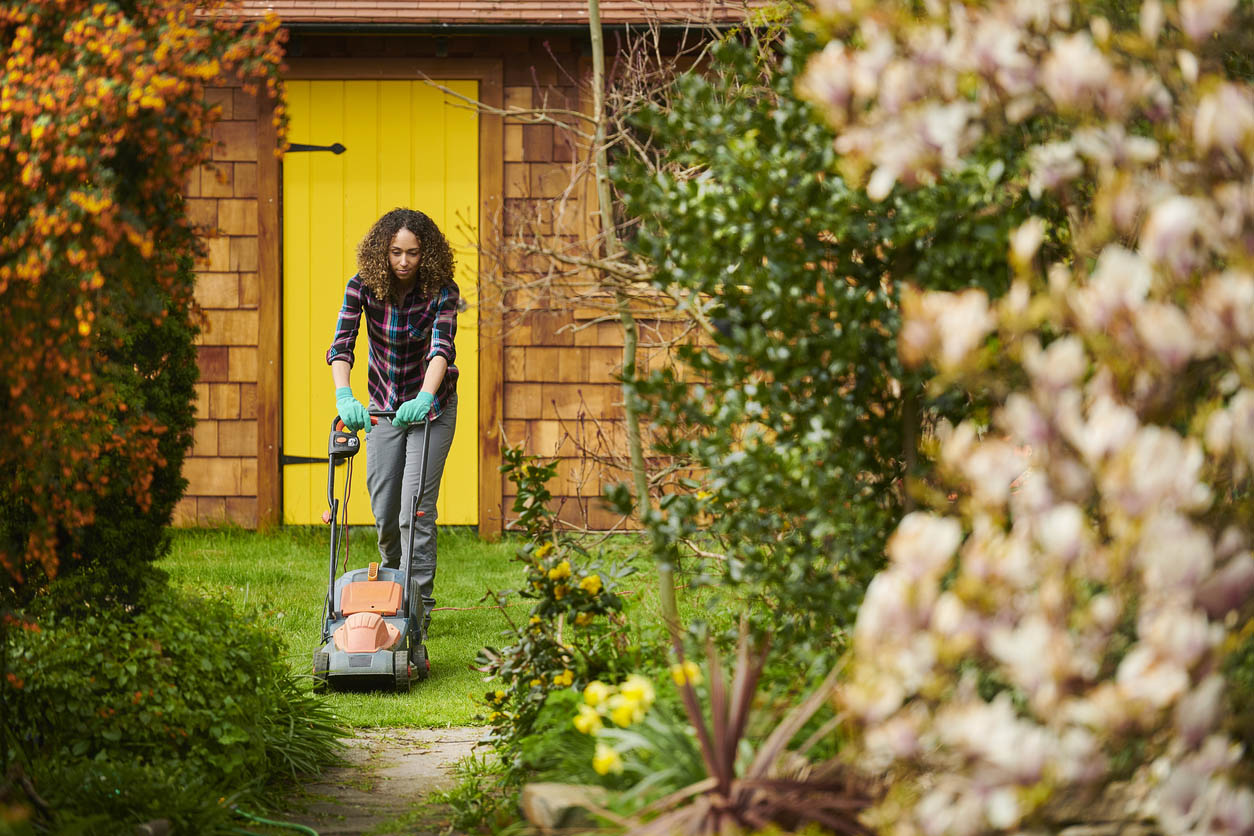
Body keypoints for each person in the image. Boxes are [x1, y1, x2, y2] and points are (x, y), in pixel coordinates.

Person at [326, 207, 459, 640]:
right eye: (396, 253)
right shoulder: (362, 286)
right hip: (384, 406)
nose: (404, 262)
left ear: (428, 254)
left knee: (414, 511)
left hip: (431, 408)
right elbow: (342, 344)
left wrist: (424, 395)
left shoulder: (442, 290)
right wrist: (344, 395)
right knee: (385, 512)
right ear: (382, 252)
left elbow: (441, 348)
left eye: (414, 253)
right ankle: (393, 584)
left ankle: (416, 607)